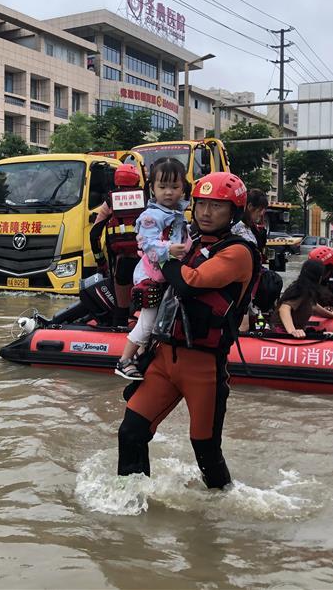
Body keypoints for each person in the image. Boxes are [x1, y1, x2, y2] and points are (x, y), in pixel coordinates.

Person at [117, 172, 260, 489]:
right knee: (130, 432)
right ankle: (130, 506)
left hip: (203, 367)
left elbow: (190, 282)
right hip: (164, 358)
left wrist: (156, 252)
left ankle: (219, 515)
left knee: (205, 449)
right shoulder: (189, 241)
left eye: (217, 206)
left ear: (233, 212)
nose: (206, 212)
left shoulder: (238, 251)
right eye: (201, 204)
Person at [115, 158, 189, 380]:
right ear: (152, 189)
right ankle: (124, 360)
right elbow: (147, 244)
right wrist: (170, 249)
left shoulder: (178, 214)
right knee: (148, 322)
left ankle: (143, 354)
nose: (169, 192)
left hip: (169, 275)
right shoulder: (150, 216)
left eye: (174, 187)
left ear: (183, 188)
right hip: (151, 276)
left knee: (161, 319)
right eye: (162, 187)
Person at [89, 163, 145, 326]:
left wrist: (101, 263)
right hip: (146, 264)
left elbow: (94, 235)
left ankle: (118, 329)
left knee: (121, 309)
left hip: (122, 262)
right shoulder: (146, 198)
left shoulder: (110, 201)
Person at [232, 189, 277, 331]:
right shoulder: (237, 228)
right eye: (260, 210)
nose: (262, 214)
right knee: (243, 324)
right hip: (239, 282)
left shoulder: (249, 227)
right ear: (250, 207)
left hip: (249, 281)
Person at [271, 259, 333, 337]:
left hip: (296, 330)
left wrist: (331, 315)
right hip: (282, 332)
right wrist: (292, 331)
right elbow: (284, 308)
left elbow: (313, 305)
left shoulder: (307, 290)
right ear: (319, 277)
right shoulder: (300, 290)